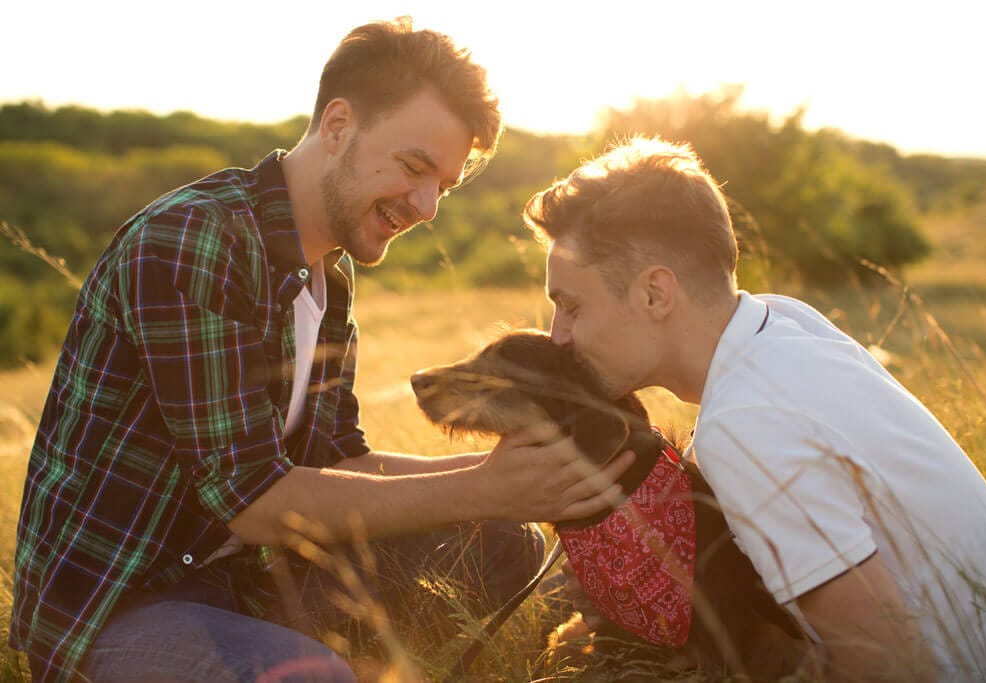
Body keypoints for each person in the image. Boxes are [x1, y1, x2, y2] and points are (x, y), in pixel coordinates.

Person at [8, 17, 633, 683]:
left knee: (505, 545)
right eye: (414, 167)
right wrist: (486, 486)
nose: (425, 206)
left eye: (442, 187)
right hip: (125, 597)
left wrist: (518, 474)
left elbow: (341, 457)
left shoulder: (328, 277)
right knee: (314, 677)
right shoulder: (193, 240)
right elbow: (251, 497)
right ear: (337, 126)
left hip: (247, 569)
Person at [523, 135, 986, 682]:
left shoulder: (746, 422)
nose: (558, 337)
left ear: (655, 295)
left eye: (571, 306)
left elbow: (886, 665)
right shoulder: (781, 323)